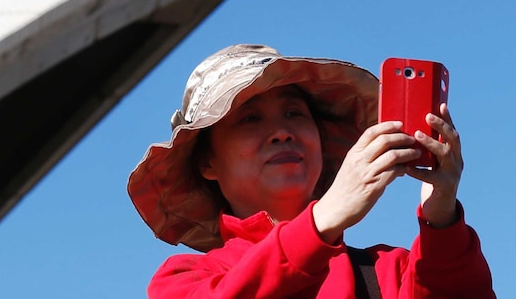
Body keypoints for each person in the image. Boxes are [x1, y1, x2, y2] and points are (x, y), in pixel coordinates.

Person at [127, 44, 495, 298]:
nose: (282, 131)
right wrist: (321, 222)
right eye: (250, 119)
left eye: (294, 114)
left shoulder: (393, 272)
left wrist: (442, 219)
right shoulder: (184, 282)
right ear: (207, 163)